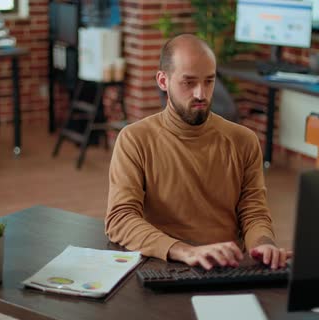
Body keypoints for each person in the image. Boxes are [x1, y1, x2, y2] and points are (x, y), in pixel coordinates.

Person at [105, 34, 292, 270]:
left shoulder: (243, 141)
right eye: (189, 82)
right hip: (164, 265)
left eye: (209, 81)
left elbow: (253, 213)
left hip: (227, 268)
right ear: (163, 81)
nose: (201, 94)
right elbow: (120, 220)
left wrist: (263, 244)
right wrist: (185, 251)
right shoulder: (135, 140)